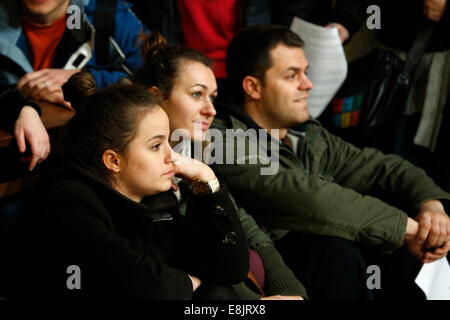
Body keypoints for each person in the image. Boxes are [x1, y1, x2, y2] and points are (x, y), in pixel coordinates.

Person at [210, 25, 450, 300]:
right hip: (277, 265)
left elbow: (382, 166)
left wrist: (430, 205)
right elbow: (311, 198)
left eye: (306, 72)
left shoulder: (308, 133)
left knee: (401, 233)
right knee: (337, 250)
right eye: (292, 76)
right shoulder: (222, 140)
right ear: (253, 87)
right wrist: (409, 230)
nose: (308, 84)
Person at [2, 72, 249, 299]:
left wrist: (208, 181)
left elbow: (228, 268)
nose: (171, 156)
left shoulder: (155, 198)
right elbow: (141, 282)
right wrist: (189, 283)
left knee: (218, 294)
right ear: (113, 160)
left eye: (167, 142)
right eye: (155, 146)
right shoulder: (68, 202)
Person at [132, 32, 307, 300]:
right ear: (156, 98)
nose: (211, 110)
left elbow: (247, 228)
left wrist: (290, 292)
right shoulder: (140, 171)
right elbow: (201, 261)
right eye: (196, 94)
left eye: (212, 97)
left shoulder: (193, 151)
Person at [0, 0, 147, 171]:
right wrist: (21, 108)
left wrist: (87, 79)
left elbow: (155, 79)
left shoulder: (106, 14)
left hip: (98, 164)